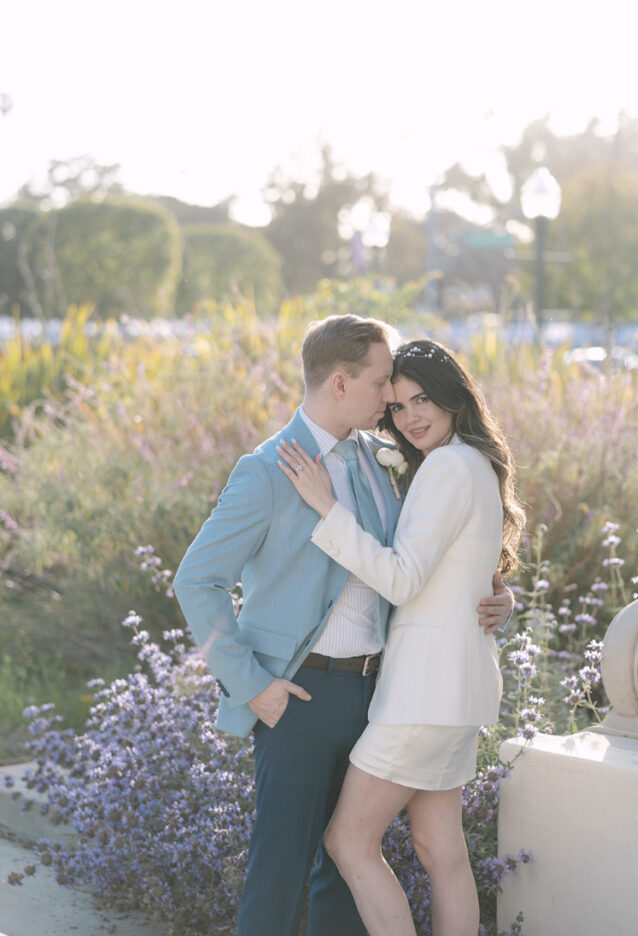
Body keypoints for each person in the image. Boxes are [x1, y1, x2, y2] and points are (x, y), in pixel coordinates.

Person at [173, 316, 514, 936]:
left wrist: (495, 593)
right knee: (281, 867)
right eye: (384, 382)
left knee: (343, 874)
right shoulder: (267, 470)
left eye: (404, 391)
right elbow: (196, 582)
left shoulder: (381, 461)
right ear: (339, 381)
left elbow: (423, 560)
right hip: (297, 696)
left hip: (377, 690)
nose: (392, 399)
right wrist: (251, 684)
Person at [277, 337, 525, 936]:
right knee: (441, 851)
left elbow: (402, 579)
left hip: (422, 696)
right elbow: (466, 575)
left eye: (423, 401)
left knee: (349, 842)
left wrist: (326, 508)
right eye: (398, 406)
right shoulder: (474, 462)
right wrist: (503, 599)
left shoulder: (446, 466)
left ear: (454, 400)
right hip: (457, 693)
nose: (410, 417)